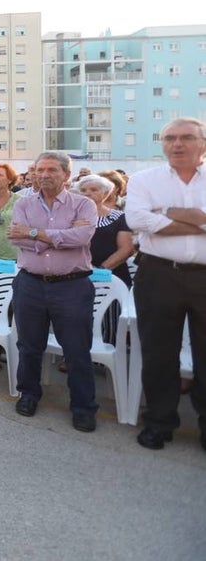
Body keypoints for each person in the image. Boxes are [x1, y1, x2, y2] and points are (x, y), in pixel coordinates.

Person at [124, 117, 206, 452]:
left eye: (187, 137)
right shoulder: (145, 179)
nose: (177, 144)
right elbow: (138, 220)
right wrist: (199, 219)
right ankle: (159, 422)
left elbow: (151, 221)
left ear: (202, 142)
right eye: (169, 138)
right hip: (158, 274)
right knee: (159, 353)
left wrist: (167, 215)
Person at [7, 151, 98, 432]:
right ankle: (29, 394)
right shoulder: (23, 203)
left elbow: (82, 237)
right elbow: (15, 238)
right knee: (29, 345)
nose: (44, 175)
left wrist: (34, 233)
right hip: (30, 283)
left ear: (66, 175)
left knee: (76, 350)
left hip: (72, 286)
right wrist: (60, 236)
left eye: (51, 170)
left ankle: (83, 407)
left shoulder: (84, 204)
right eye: (39, 170)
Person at [77, 174, 134, 287]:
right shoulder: (70, 217)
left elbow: (126, 249)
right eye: (83, 190)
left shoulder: (119, 217)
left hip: (112, 275)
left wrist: (100, 270)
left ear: (105, 193)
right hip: (77, 276)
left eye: (94, 190)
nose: (87, 193)